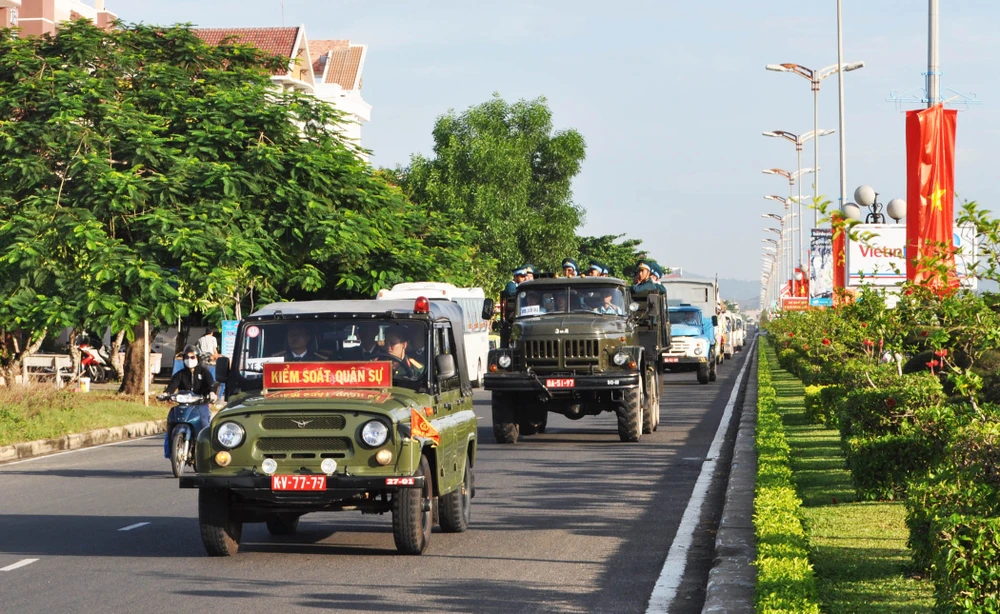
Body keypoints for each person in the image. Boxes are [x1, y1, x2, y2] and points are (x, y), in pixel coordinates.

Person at [159, 345, 215, 458]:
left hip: (200, 405)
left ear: (198, 358)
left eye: (192, 357)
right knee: (171, 421)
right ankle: (170, 451)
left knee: (204, 425)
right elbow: (171, 386)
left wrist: (212, 393)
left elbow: (211, 385)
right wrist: (166, 394)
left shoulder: (204, 372)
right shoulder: (180, 374)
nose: (189, 360)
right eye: (187, 357)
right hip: (184, 405)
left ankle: (207, 453)